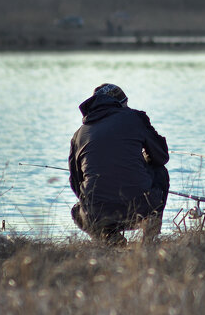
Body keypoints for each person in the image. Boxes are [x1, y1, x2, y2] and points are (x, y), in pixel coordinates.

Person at [69, 83, 170, 245]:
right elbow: (161, 157)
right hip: (140, 209)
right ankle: (149, 239)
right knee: (160, 172)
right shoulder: (134, 117)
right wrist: (143, 162)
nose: (127, 107)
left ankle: (110, 238)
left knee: (77, 211)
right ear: (120, 103)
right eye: (126, 103)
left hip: (96, 215)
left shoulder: (78, 135)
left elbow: (76, 183)